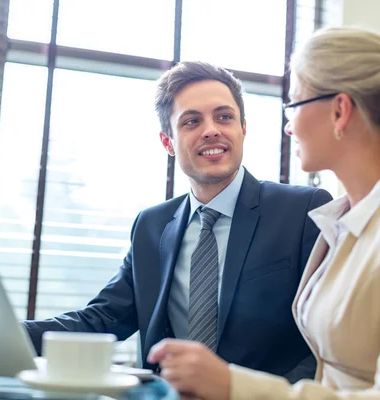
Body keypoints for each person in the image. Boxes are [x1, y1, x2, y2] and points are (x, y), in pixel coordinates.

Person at [147, 28, 380, 399]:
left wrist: (234, 386)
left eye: (294, 104)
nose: (288, 126)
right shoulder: (342, 220)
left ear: (339, 111)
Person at [22, 61, 332, 381]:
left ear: (243, 129)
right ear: (168, 142)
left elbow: (325, 343)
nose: (211, 129)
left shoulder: (303, 210)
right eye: (191, 121)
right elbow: (102, 319)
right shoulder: (151, 226)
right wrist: (7, 335)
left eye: (224, 117)